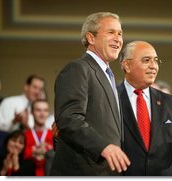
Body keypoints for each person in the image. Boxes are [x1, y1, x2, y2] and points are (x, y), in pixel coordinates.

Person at [50, 12, 130, 176]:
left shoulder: (108, 75)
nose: (118, 38)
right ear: (91, 38)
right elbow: (69, 118)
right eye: (111, 32)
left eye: (120, 33)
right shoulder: (78, 69)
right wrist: (103, 146)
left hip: (106, 171)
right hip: (83, 170)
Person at [117, 41, 172, 176]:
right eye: (146, 60)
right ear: (127, 65)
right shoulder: (110, 98)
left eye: (156, 61)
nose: (153, 66)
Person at [23, 99, 53, 176]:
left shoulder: (55, 135)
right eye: (38, 110)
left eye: (45, 110)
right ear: (32, 113)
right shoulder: (23, 136)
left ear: (48, 113)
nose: (42, 114)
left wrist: (46, 152)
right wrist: (33, 153)